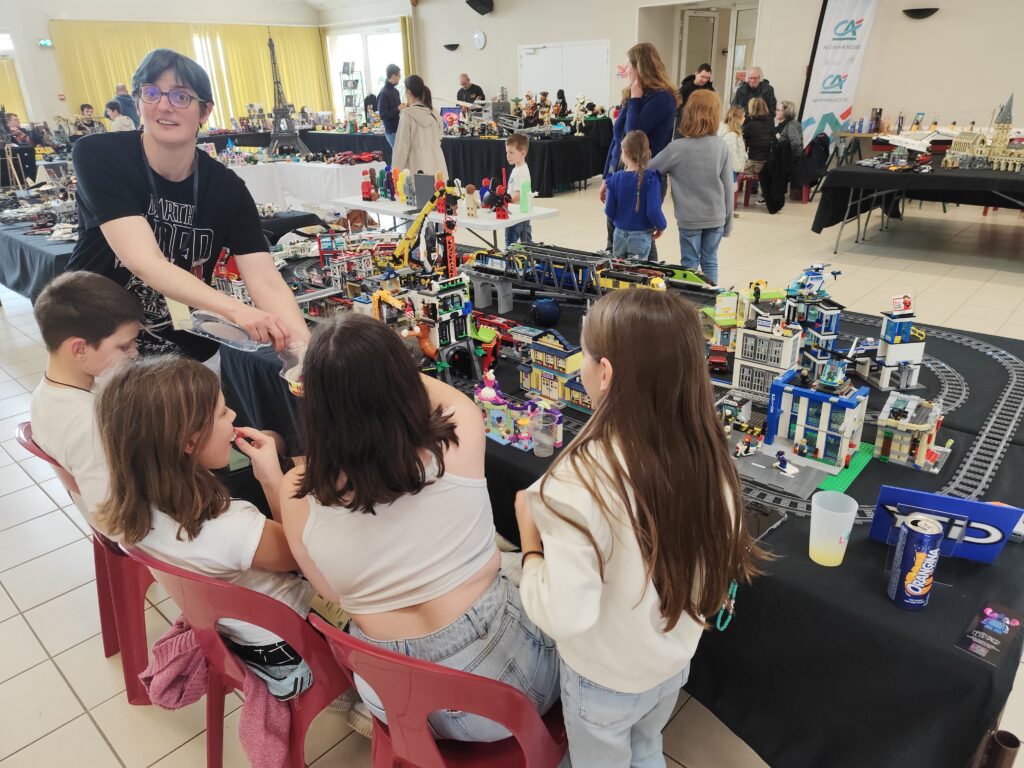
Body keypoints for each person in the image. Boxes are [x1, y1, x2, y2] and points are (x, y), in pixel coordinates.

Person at [281, 315, 560, 741]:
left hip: (392, 699)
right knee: (557, 587)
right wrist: (379, 363)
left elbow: (332, 593)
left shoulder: (296, 492)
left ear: (314, 404)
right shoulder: (458, 436)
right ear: (403, 381)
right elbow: (447, 399)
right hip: (502, 694)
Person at [516, 289, 764, 767]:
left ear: (605, 373)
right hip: (670, 663)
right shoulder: (711, 458)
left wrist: (530, 545)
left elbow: (564, 614)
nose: (580, 370)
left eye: (584, 357)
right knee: (648, 745)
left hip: (604, 679)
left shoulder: (576, 481)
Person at [96, 355, 315, 700]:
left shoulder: (133, 510)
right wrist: (273, 479)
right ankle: (365, 698)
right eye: (223, 413)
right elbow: (303, 557)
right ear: (189, 442)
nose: (234, 417)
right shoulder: (231, 526)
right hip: (288, 648)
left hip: (231, 632)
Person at [67, 48, 308, 360]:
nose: (164, 105)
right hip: (98, 349)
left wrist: (304, 351)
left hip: (187, 354)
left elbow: (265, 280)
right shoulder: (100, 155)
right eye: (151, 93)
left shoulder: (227, 189)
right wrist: (237, 310)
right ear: (138, 103)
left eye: (180, 96)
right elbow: (143, 260)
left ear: (205, 111)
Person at [30, 272, 144, 529]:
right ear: (79, 348)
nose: (135, 353)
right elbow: (114, 523)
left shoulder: (46, 394)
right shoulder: (90, 426)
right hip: (141, 531)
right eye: (124, 347)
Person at [601, 43, 679, 256]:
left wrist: (635, 99)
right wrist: (607, 176)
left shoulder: (662, 98)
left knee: (641, 235)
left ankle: (647, 277)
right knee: (616, 232)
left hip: (646, 175)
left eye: (630, 64)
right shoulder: (632, 95)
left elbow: (633, 134)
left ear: (640, 67)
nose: (626, 69)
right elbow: (618, 138)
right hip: (621, 171)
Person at [649, 90, 733, 285]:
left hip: (689, 219)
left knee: (689, 264)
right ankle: (711, 298)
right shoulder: (720, 146)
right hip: (716, 216)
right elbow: (728, 188)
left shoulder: (676, 148)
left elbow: (649, 170)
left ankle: (691, 299)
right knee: (710, 261)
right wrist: (728, 223)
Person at [604, 130, 666, 261]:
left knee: (619, 269)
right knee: (637, 271)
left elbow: (609, 210)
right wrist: (661, 226)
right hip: (641, 236)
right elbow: (653, 210)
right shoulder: (651, 178)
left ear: (624, 152)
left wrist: (621, 221)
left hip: (619, 234)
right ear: (646, 152)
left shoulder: (615, 178)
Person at [392, 75, 448, 180]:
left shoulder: (407, 114)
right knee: (439, 189)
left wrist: (395, 172)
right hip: (437, 163)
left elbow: (401, 148)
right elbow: (439, 137)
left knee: (421, 190)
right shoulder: (434, 112)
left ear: (408, 92)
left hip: (418, 164)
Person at [719, 105, 748, 218]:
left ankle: (728, 210)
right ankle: (725, 212)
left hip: (730, 168)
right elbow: (731, 155)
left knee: (729, 190)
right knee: (728, 190)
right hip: (730, 168)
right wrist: (739, 167)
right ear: (738, 118)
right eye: (743, 116)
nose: (745, 118)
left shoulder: (733, 132)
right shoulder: (731, 135)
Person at [504, 132, 532, 247]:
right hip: (522, 212)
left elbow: (519, 195)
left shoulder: (521, 171)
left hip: (516, 213)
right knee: (527, 242)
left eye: (511, 152)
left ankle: (510, 257)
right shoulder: (518, 168)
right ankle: (530, 255)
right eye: (507, 152)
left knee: (510, 243)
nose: (508, 156)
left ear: (522, 153)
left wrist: (505, 200)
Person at [775, 100, 804, 194]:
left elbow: (796, 143)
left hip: (791, 158)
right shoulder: (781, 125)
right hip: (784, 157)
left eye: (778, 110)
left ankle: (774, 191)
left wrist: (782, 149)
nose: (776, 111)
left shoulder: (791, 125)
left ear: (786, 112)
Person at [742, 97, 774, 178]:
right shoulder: (770, 123)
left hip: (755, 163)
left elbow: (742, 142)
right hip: (767, 162)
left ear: (753, 109)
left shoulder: (751, 125)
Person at [377, 64, 402, 148]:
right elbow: (383, 115)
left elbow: (398, 110)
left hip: (399, 129)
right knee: (398, 155)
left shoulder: (396, 91)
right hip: (391, 131)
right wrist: (398, 109)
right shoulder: (383, 93)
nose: (400, 78)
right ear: (394, 76)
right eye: (399, 75)